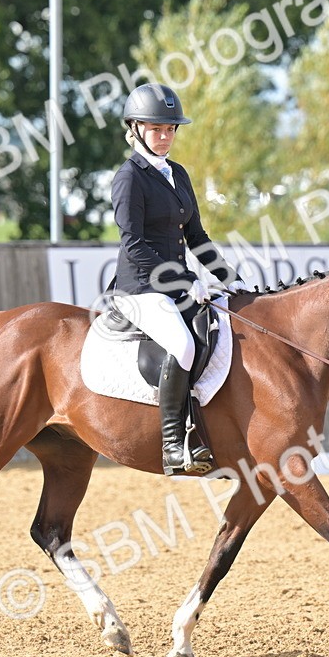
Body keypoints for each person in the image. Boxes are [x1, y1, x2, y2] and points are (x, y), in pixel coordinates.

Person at [109, 83, 246, 476]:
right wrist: (184, 282)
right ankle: (172, 444)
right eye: (156, 129)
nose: (165, 136)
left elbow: (196, 237)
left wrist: (229, 278)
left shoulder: (178, 174)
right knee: (183, 345)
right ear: (135, 129)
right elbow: (134, 245)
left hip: (176, 284)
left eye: (170, 129)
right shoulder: (129, 178)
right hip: (140, 288)